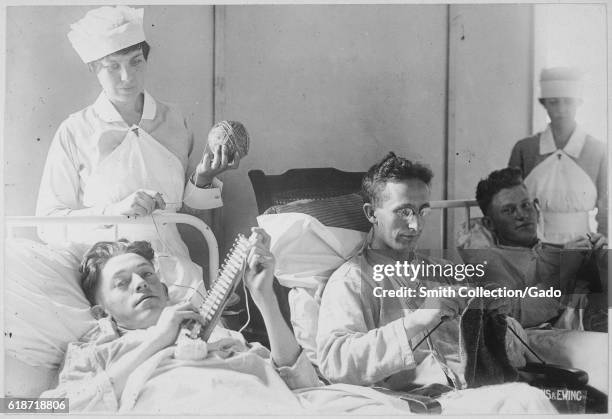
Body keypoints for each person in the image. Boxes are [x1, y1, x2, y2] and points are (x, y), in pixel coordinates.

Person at [40, 231, 417, 414]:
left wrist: (264, 296)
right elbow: (34, 409)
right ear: (102, 311)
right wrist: (157, 340)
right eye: (122, 284)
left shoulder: (212, 330)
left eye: (147, 274)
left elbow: (302, 383)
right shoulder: (95, 347)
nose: (141, 283)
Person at [315, 152, 555, 414]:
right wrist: (417, 320)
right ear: (372, 213)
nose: (415, 224)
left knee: (530, 398)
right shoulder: (352, 280)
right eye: (403, 211)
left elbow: (509, 350)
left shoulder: (446, 272)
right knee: (524, 402)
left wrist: (499, 319)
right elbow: (335, 362)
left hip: (474, 392)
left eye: (422, 211)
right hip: (415, 405)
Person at [36, 5, 235, 260]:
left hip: (173, 263)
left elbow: (183, 209)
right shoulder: (76, 131)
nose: (127, 76)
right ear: (93, 69)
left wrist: (204, 178)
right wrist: (115, 211)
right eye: (112, 67)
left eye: (135, 61)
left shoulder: (174, 119)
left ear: (146, 58)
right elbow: (46, 224)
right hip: (109, 269)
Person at [460, 167, 607, 331]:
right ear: (489, 223)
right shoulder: (490, 262)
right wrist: (563, 272)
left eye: (526, 205)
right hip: (551, 337)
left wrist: (602, 259)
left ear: (536, 208)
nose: (522, 215)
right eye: (509, 210)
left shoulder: (559, 250)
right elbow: (513, 315)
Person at [508, 67, 607, 244]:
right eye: (553, 102)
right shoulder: (524, 149)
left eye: (568, 102)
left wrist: (604, 240)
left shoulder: (598, 150)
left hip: (583, 245)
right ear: (544, 103)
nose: (561, 109)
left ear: (579, 102)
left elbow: (606, 203)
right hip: (534, 245)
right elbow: (510, 199)